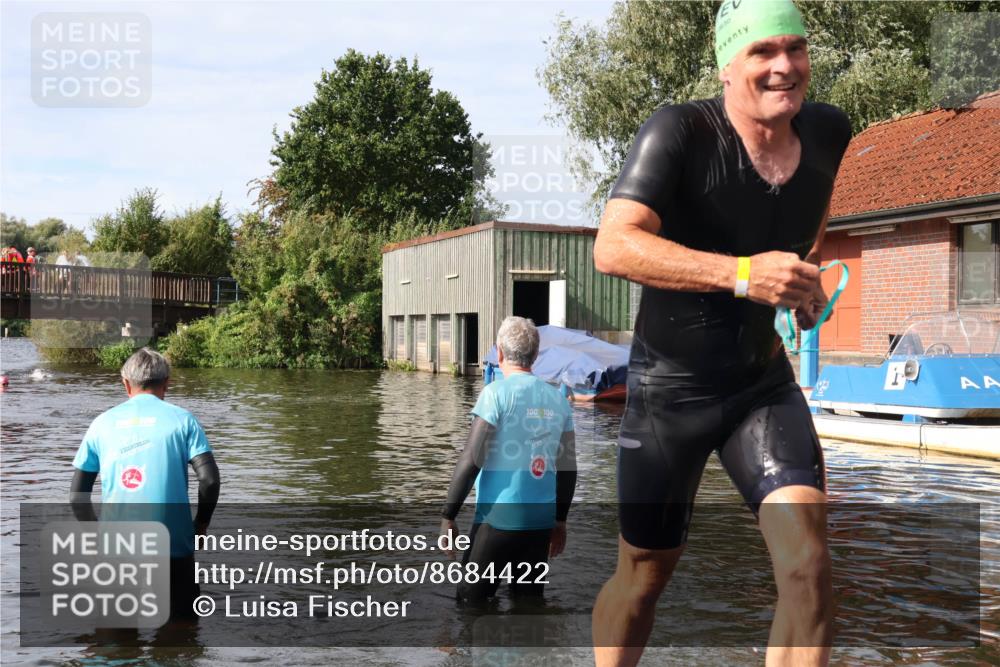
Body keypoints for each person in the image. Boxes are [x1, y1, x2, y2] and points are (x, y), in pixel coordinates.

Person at [589, 1, 853, 665]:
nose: (784, 67)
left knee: (808, 567)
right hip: (668, 393)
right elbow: (614, 247)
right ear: (727, 66)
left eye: (794, 49)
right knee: (643, 576)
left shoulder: (828, 131)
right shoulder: (678, 133)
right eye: (763, 52)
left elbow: (811, 210)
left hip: (759, 384)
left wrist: (802, 276)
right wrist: (743, 275)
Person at [70, 347, 221, 619]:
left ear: (126, 384)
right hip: (173, 546)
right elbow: (209, 480)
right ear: (167, 384)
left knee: (117, 642)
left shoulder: (101, 424)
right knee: (180, 640)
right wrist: (201, 524)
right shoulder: (184, 421)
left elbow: (77, 497)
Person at [440, 316, 577, 604]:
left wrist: (448, 516)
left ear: (499, 353)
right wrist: (560, 522)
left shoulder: (495, 395)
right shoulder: (558, 401)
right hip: (540, 524)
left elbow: (471, 459)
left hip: (497, 521)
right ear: (536, 355)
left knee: (468, 606)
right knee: (528, 605)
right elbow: (567, 469)